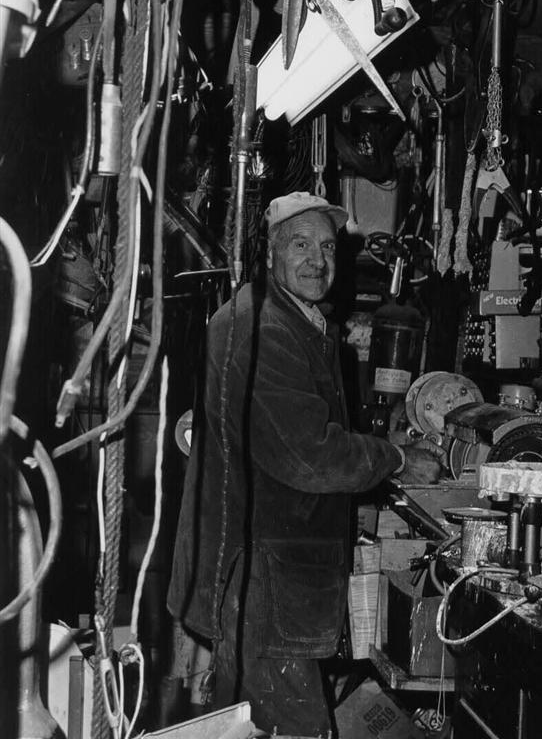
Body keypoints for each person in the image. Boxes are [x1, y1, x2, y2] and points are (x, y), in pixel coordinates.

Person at [168, 191, 442, 736]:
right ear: (269, 254)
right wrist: (393, 459)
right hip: (260, 585)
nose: (317, 260)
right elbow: (310, 455)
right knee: (296, 729)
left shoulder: (297, 320)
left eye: (326, 247)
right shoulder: (264, 330)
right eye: (300, 244)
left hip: (261, 580)